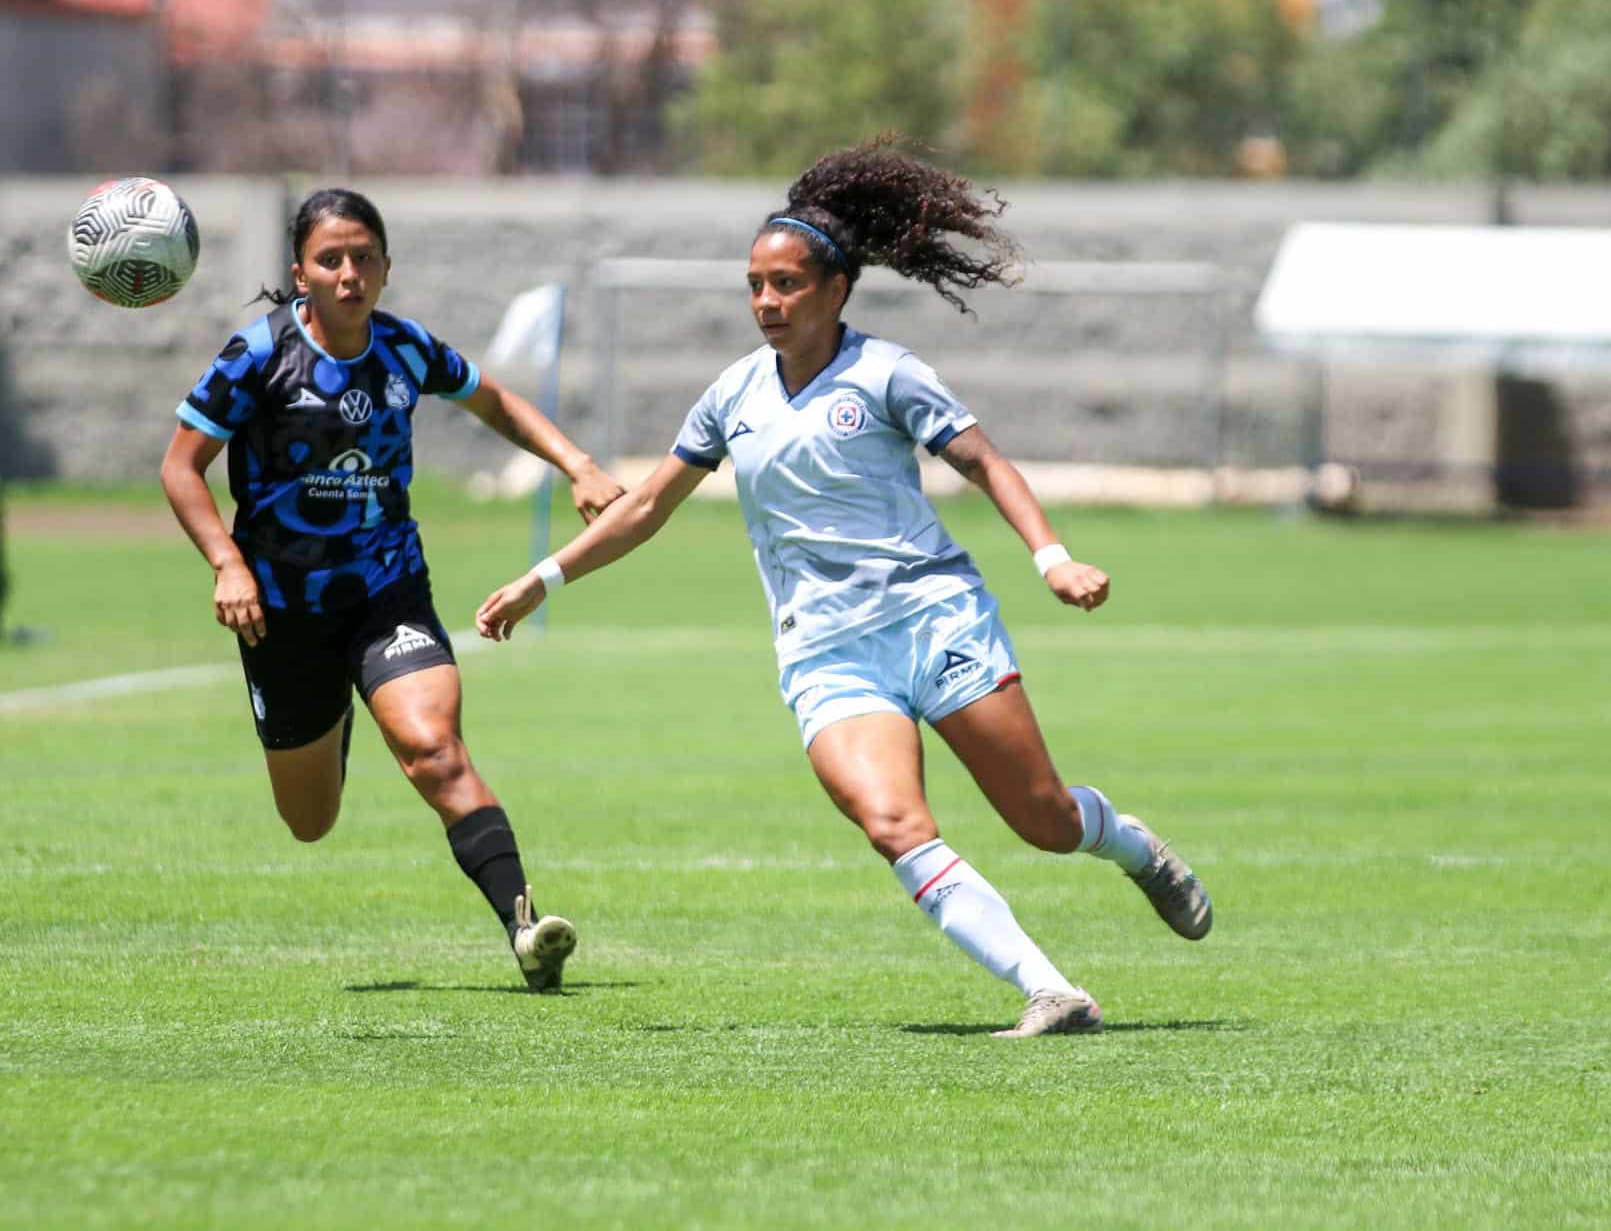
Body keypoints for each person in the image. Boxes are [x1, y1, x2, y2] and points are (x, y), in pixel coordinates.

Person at [473, 142, 1212, 1037]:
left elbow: (984, 460)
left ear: (836, 290)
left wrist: (1051, 556)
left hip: (933, 617)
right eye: (753, 284)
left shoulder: (888, 373)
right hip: (825, 650)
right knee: (893, 821)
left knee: (1045, 820)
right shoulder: (731, 395)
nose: (765, 303)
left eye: (785, 285)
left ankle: (1134, 847)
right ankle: (1051, 991)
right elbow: (645, 509)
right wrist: (542, 578)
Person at [160, 186, 623, 992]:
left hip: (387, 592)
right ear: (299, 272)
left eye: (363, 257)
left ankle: (524, 926)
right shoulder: (256, 354)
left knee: (434, 752)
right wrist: (227, 563)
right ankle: (336, 709)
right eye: (330, 259)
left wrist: (576, 463)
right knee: (310, 822)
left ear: (385, 267)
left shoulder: (404, 349)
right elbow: (179, 467)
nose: (349, 274)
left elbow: (496, 401)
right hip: (282, 614)